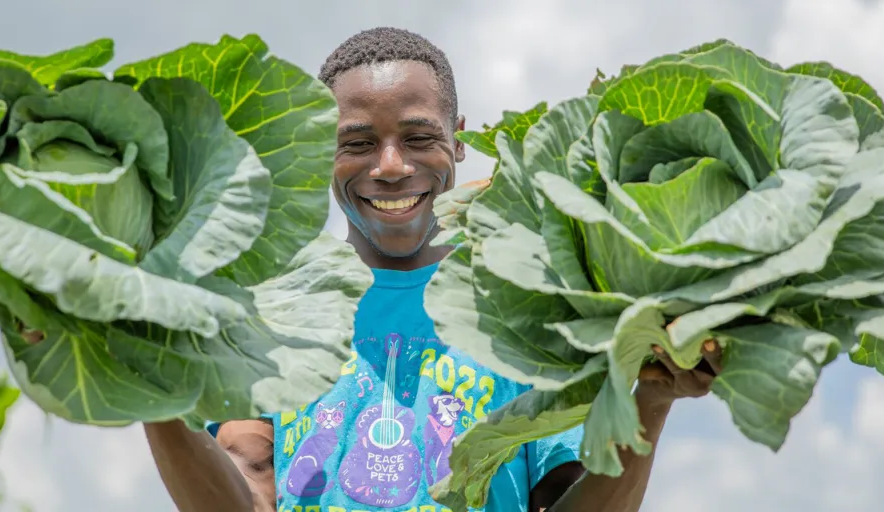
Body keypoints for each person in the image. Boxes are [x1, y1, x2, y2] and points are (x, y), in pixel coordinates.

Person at [142, 27, 724, 512]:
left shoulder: (524, 305)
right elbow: (245, 494)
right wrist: (144, 379)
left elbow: (566, 496)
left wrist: (651, 401)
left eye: (419, 137)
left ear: (459, 141)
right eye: (359, 143)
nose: (391, 166)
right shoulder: (269, 305)